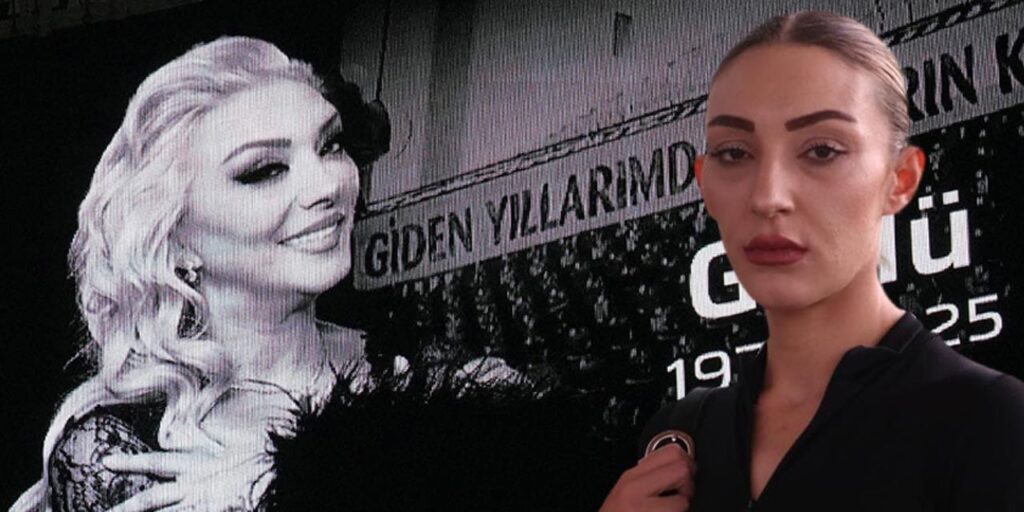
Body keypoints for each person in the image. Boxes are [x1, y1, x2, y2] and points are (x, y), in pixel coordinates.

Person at [601, 11, 1024, 512]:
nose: (768, 197)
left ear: (900, 180)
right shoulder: (680, 435)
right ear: (705, 184)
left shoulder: (989, 419)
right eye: (734, 153)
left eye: (822, 150)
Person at [12, 36, 367, 512]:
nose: (326, 185)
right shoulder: (115, 451)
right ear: (177, 239)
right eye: (264, 170)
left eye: (331, 145)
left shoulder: (421, 370)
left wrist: (280, 481)